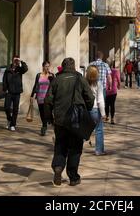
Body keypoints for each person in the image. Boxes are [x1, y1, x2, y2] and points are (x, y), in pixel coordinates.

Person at [44, 57, 94, 187]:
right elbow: (90, 97)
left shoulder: (56, 80)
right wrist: (86, 109)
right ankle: (73, 177)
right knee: (75, 148)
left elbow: (48, 101)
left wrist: (49, 118)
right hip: (76, 120)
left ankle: (58, 167)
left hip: (60, 120)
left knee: (60, 145)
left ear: (63, 66)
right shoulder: (80, 79)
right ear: (74, 66)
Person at [3, 56, 28, 131]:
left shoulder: (19, 69)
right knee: (6, 107)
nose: (15, 61)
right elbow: (4, 80)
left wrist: (21, 62)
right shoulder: (8, 69)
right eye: (15, 60)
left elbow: (25, 69)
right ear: (12, 60)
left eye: (17, 60)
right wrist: (5, 89)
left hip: (17, 92)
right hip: (9, 92)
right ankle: (9, 119)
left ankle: (13, 124)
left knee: (15, 109)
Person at [86, 66, 106, 155]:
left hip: (86, 109)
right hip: (95, 109)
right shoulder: (98, 83)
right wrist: (103, 113)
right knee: (99, 130)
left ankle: (70, 146)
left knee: (84, 130)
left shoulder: (84, 83)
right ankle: (99, 150)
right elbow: (100, 100)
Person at [30, 61, 54, 136]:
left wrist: (52, 79)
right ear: (43, 67)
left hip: (48, 98)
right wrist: (32, 95)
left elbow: (54, 85)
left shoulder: (51, 75)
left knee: (48, 112)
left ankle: (48, 122)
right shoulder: (38, 75)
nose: (47, 68)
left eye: (48, 66)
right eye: (46, 66)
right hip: (40, 96)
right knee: (42, 112)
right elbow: (35, 85)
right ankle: (44, 126)